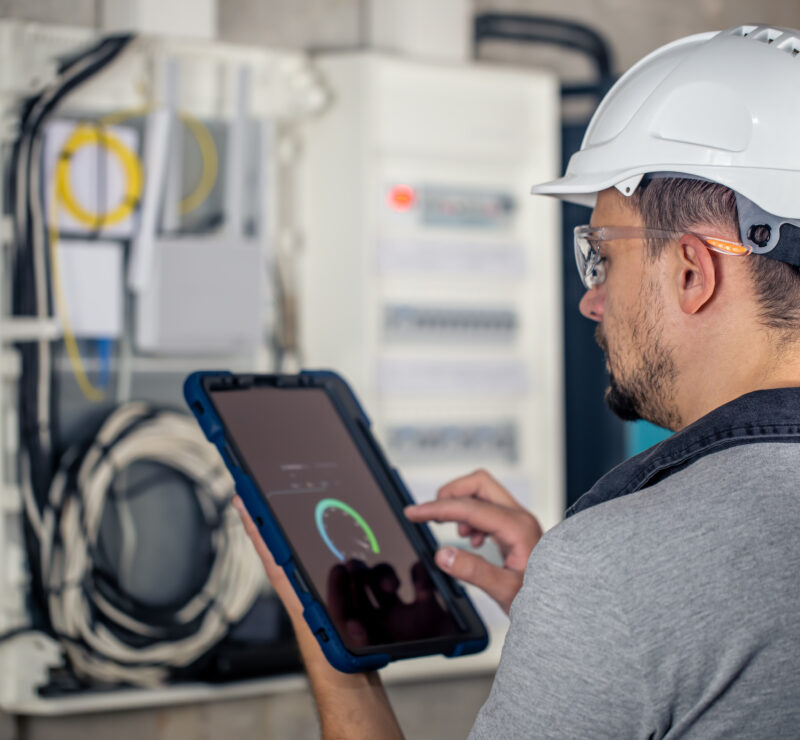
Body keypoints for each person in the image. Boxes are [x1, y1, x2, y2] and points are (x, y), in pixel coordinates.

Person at [234, 24, 800, 738]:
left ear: (693, 271)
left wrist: (331, 645)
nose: (591, 300)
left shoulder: (614, 572)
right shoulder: (614, 583)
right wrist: (575, 619)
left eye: (604, 258)